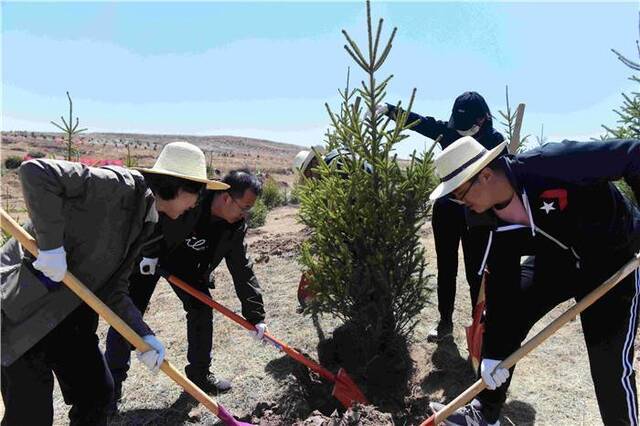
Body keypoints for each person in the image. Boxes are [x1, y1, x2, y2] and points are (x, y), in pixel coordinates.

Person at [0, 141, 227, 426]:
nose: (196, 204)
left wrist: (143, 335)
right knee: (30, 416)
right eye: (197, 195)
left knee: (97, 396)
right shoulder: (118, 185)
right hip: (23, 306)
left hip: (71, 312)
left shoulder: (146, 219)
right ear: (181, 187)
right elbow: (36, 172)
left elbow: (115, 287)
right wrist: (51, 247)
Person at [427, 136, 640, 426]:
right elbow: (502, 285)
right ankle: (485, 412)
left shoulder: (551, 163)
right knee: (509, 316)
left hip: (613, 259)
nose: (460, 202)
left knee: (609, 364)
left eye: (461, 193)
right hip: (557, 261)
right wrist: (492, 355)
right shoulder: (481, 218)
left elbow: (633, 154)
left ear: (485, 175)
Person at [105, 169, 267, 408]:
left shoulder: (234, 225)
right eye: (244, 207)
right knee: (128, 317)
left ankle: (200, 376)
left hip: (190, 268)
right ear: (226, 198)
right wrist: (147, 254)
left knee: (201, 311)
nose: (245, 215)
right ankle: (112, 388)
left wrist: (256, 316)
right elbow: (156, 214)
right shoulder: (191, 197)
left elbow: (242, 268)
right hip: (151, 258)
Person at [377, 91, 506, 342]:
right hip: (447, 210)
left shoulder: (495, 140)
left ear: (483, 119)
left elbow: (504, 179)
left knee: (475, 271)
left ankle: (479, 326)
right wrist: (390, 110)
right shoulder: (449, 131)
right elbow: (420, 122)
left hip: (478, 214)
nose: (460, 133)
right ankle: (444, 322)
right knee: (446, 267)